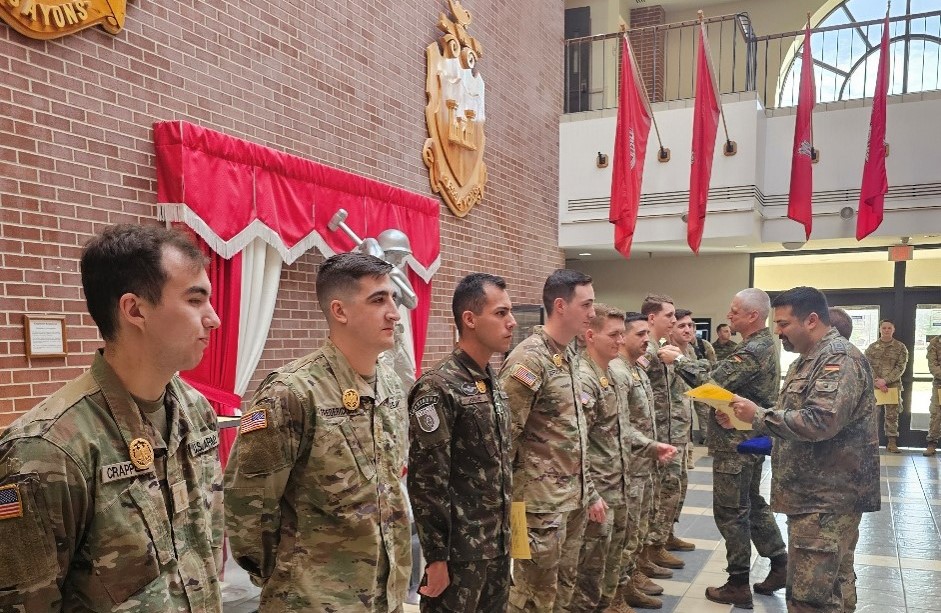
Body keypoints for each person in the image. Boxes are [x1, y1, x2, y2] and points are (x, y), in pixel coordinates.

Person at [0, 224, 224, 610]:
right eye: (194, 300)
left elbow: (209, 539)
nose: (213, 319)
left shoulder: (196, 410)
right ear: (134, 310)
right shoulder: (45, 450)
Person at [224, 252, 411, 612]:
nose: (394, 313)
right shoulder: (292, 393)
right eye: (378, 300)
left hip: (383, 595)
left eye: (393, 298)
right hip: (312, 600)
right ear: (340, 311)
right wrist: (287, 578)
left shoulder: (389, 384)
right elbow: (247, 503)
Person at [727, 286, 880, 613]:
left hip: (825, 502)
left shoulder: (837, 358)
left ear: (811, 320)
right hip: (813, 499)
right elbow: (796, 417)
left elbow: (822, 421)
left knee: (810, 600)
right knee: (833, 590)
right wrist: (749, 420)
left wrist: (758, 416)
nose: (777, 332)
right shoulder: (807, 360)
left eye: (783, 324)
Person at [407, 273, 516, 612]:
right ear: (470, 319)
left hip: (496, 546)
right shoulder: (438, 386)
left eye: (510, 312)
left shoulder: (490, 379)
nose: (512, 322)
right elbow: (427, 481)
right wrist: (436, 558)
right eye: (500, 313)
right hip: (460, 555)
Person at [684, 289, 788, 609]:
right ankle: (780, 563)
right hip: (746, 439)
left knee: (732, 512)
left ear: (753, 316)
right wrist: (728, 405)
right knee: (752, 504)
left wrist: (678, 361)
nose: (729, 315)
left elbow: (713, 381)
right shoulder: (758, 344)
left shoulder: (754, 349)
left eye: (735, 311)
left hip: (737, 446)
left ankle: (738, 583)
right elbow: (739, 390)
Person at [499, 269, 595, 613]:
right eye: (586, 304)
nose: (592, 313)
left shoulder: (569, 356)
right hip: (538, 505)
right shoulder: (529, 359)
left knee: (562, 589)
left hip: (571, 498)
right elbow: (504, 435)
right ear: (560, 306)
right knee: (532, 595)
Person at [570, 306, 675, 612]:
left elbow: (622, 428)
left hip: (618, 483)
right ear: (591, 335)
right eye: (614, 334)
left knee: (611, 557)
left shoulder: (611, 375)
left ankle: (612, 602)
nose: (619, 340)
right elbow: (577, 442)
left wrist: (650, 446)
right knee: (589, 569)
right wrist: (590, 493)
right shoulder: (586, 378)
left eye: (620, 334)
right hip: (598, 490)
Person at [608, 312, 678, 611]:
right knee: (624, 536)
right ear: (623, 337)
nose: (646, 340)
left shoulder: (636, 369)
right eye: (639, 334)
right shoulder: (618, 372)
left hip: (644, 464)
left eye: (647, 334)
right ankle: (615, 598)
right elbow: (620, 425)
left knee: (637, 530)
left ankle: (631, 582)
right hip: (629, 467)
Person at [639, 294, 695, 572]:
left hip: (675, 432)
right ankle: (652, 548)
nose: (674, 321)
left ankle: (663, 537)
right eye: (670, 316)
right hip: (658, 435)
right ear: (652, 318)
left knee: (675, 487)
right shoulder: (648, 352)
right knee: (662, 492)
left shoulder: (665, 349)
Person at [864, 320, 909, 453]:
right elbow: (866, 365)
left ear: (893, 330)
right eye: (884, 328)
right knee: (873, 415)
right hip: (875, 386)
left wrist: (886, 381)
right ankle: (872, 443)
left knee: (892, 416)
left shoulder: (900, 347)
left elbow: (900, 367)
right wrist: (877, 382)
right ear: (880, 329)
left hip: (892, 386)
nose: (886, 330)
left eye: (889, 328)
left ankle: (892, 443)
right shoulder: (872, 347)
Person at [925, 334, 941, 457]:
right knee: (936, 414)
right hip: (939, 384)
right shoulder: (935, 342)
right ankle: (932, 444)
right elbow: (932, 366)